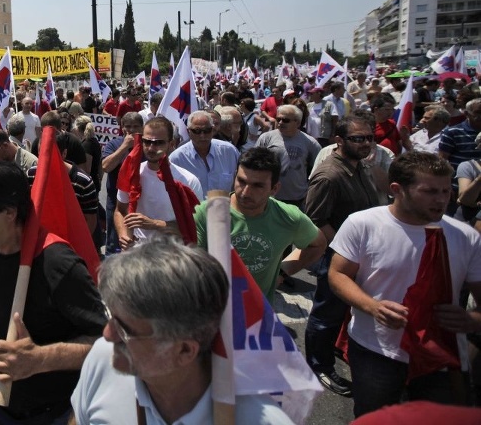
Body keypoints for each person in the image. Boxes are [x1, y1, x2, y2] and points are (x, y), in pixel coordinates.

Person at [71, 234, 294, 425]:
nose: (107, 335)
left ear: (185, 350)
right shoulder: (103, 358)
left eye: (124, 329)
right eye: (111, 316)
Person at [328, 151, 481, 418]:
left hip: (439, 355)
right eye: (430, 191)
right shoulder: (363, 224)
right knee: (374, 417)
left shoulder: (466, 237)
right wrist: (373, 307)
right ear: (397, 189)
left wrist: (473, 320)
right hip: (376, 350)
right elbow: (338, 275)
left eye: (446, 190)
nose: (442, 199)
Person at [0, 161, 106, 424]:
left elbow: (108, 343)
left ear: (9, 212)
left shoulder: (57, 263)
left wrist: (40, 358)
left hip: (49, 415)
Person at [303, 114, 379, 397]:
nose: (366, 144)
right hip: (338, 259)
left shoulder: (359, 166)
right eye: (357, 139)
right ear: (339, 141)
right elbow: (314, 219)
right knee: (326, 314)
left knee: (342, 313)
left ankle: (331, 348)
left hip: (360, 258)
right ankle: (318, 366)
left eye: (369, 138)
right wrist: (347, 247)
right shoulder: (329, 175)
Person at [195, 147, 326, 300]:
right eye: (241, 181)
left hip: (258, 315)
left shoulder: (289, 217)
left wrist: (283, 272)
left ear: (274, 188)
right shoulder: (207, 212)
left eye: (258, 186)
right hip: (212, 312)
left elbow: (318, 244)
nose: (245, 192)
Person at [115, 117, 203, 250]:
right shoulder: (132, 173)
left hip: (173, 254)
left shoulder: (188, 180)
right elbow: (120, 210)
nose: (151, 148)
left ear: (171, 144)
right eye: (147, 142)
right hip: (138, 254)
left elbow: (195, 226)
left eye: (158, 143)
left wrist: (154, 224)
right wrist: (123, 235)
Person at [255, 105, 322, 210]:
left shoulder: (310, 143)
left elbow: (319, 172)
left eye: (285, 120)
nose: (280, 122)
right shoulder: (266, 138)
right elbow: (255, 164)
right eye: (278, 119)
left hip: (297, 199)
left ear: (298, 123)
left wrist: (311, 194)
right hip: (270, 197)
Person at [102, 113, 144, 255]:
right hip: (116, 203)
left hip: (141, 205)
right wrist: (124, 147)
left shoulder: (148, 146)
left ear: (142, 128)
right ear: (122, 128)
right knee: (115, 243)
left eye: (135, 127)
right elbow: (106, 166)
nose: (131, 130)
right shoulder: (113, 144)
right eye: (128, 127)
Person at [169, 110, 239, 194]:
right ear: (189, 132)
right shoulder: (177, 159)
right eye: (197, 131)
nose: (202, 136)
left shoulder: (229, 152)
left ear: (212, 130)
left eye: (207, 130)